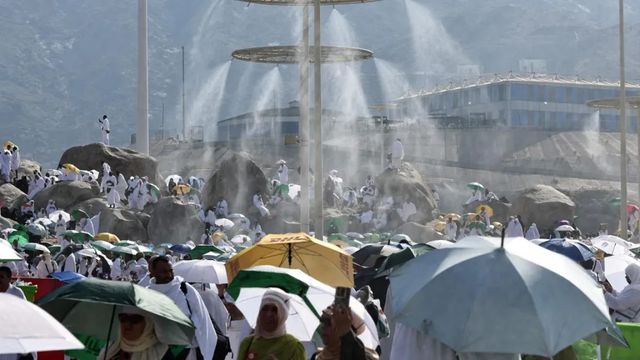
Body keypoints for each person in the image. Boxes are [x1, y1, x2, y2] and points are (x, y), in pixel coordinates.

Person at [147, 256, 217, 360]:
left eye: (171, 271)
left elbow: (203, 321)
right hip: (158, 352)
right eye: (164, 271)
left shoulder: (185, 290)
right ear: (152, 272)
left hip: (187, 351)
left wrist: (206, 353)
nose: (169, 275)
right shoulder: (147, 294)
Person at [237, 288, 306, 360]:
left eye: (274, 310)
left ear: (283, 315)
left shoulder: (293, 347)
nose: (268, 314)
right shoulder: (247, 343)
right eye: (265, 308)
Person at [97, 308, 187, 360]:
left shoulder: (160, 353)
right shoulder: (112, 348)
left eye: (135, 320)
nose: (127, 325)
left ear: (148, 324)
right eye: (123, 318)